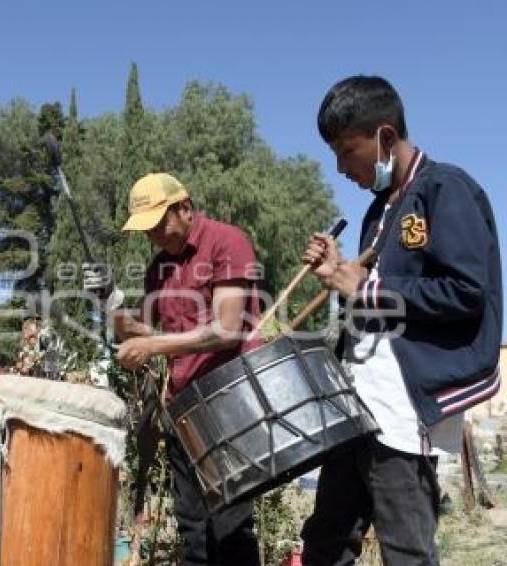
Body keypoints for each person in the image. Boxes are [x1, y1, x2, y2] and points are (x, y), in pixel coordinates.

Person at [300, 75, 502, 565]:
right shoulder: (380, 211)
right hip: (359, 403)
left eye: (348, 151)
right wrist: (339, 269)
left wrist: (364, 287)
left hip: (402, 412)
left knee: (405, 550)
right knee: (326, 542)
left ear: (385, 137)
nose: (341, 167)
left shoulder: (445, 189)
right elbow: (379, 301)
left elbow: (465, 291)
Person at [85, 172, 263, 565]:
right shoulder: (158, 268)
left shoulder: (225, 241)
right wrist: (110, 301)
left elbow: (227, 329)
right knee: (193, 530)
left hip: (231, 401)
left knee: (230, 526)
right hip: (184, 408)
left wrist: (151, 345)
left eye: (158, 223)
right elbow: (140, 329)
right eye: (145, 229)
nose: (154, 235)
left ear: (184, 207)